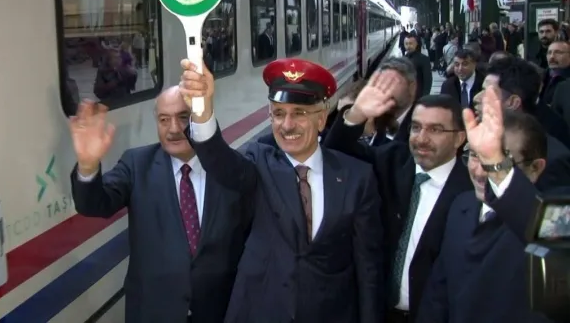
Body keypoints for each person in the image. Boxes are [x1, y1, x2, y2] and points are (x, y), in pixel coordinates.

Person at [179, 58, 383, 323]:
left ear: (321, 119)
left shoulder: (357, 177)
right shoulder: (258, 162)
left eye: (299, 113)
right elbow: (221, 162)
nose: (287, 125)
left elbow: (369, 269)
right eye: (278, 113)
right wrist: (202, 110)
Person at [69, 87, 252, 323]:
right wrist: (87, 166)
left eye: (183, 117)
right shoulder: (136, 165)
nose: (173, 129)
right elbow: (94, 205)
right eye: (164, 119)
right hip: (154, 312)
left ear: (200, 117)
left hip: (219, 312)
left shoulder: (229, 169)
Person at [325, 75, 472, 323]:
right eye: (416, 127)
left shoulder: (470, 191)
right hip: (380, 313)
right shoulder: (391, 161)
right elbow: (336, 152)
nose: (421, 138)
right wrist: (356, 114)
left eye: (435, 129)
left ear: (459, 138)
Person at [418, 87, 557, 323]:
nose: (482, 171)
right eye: (475, 155)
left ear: (535, 169)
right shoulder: (461, 206)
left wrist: (498, 171)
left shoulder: (548, 223)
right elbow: (438, 295)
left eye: (501, 159)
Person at [473, 58, 570, 190]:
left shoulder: (553, 161)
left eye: (488, 93)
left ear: (513, 102)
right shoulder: (480, 140)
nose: (476, 98)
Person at [403, 33, 432, 99]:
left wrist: (425, 98)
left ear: (416, 44)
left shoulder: (424, 59)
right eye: (406, 44)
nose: (408, 46)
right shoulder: (403, 59)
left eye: (411, 43)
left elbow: (428, 80)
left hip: (418, 97)